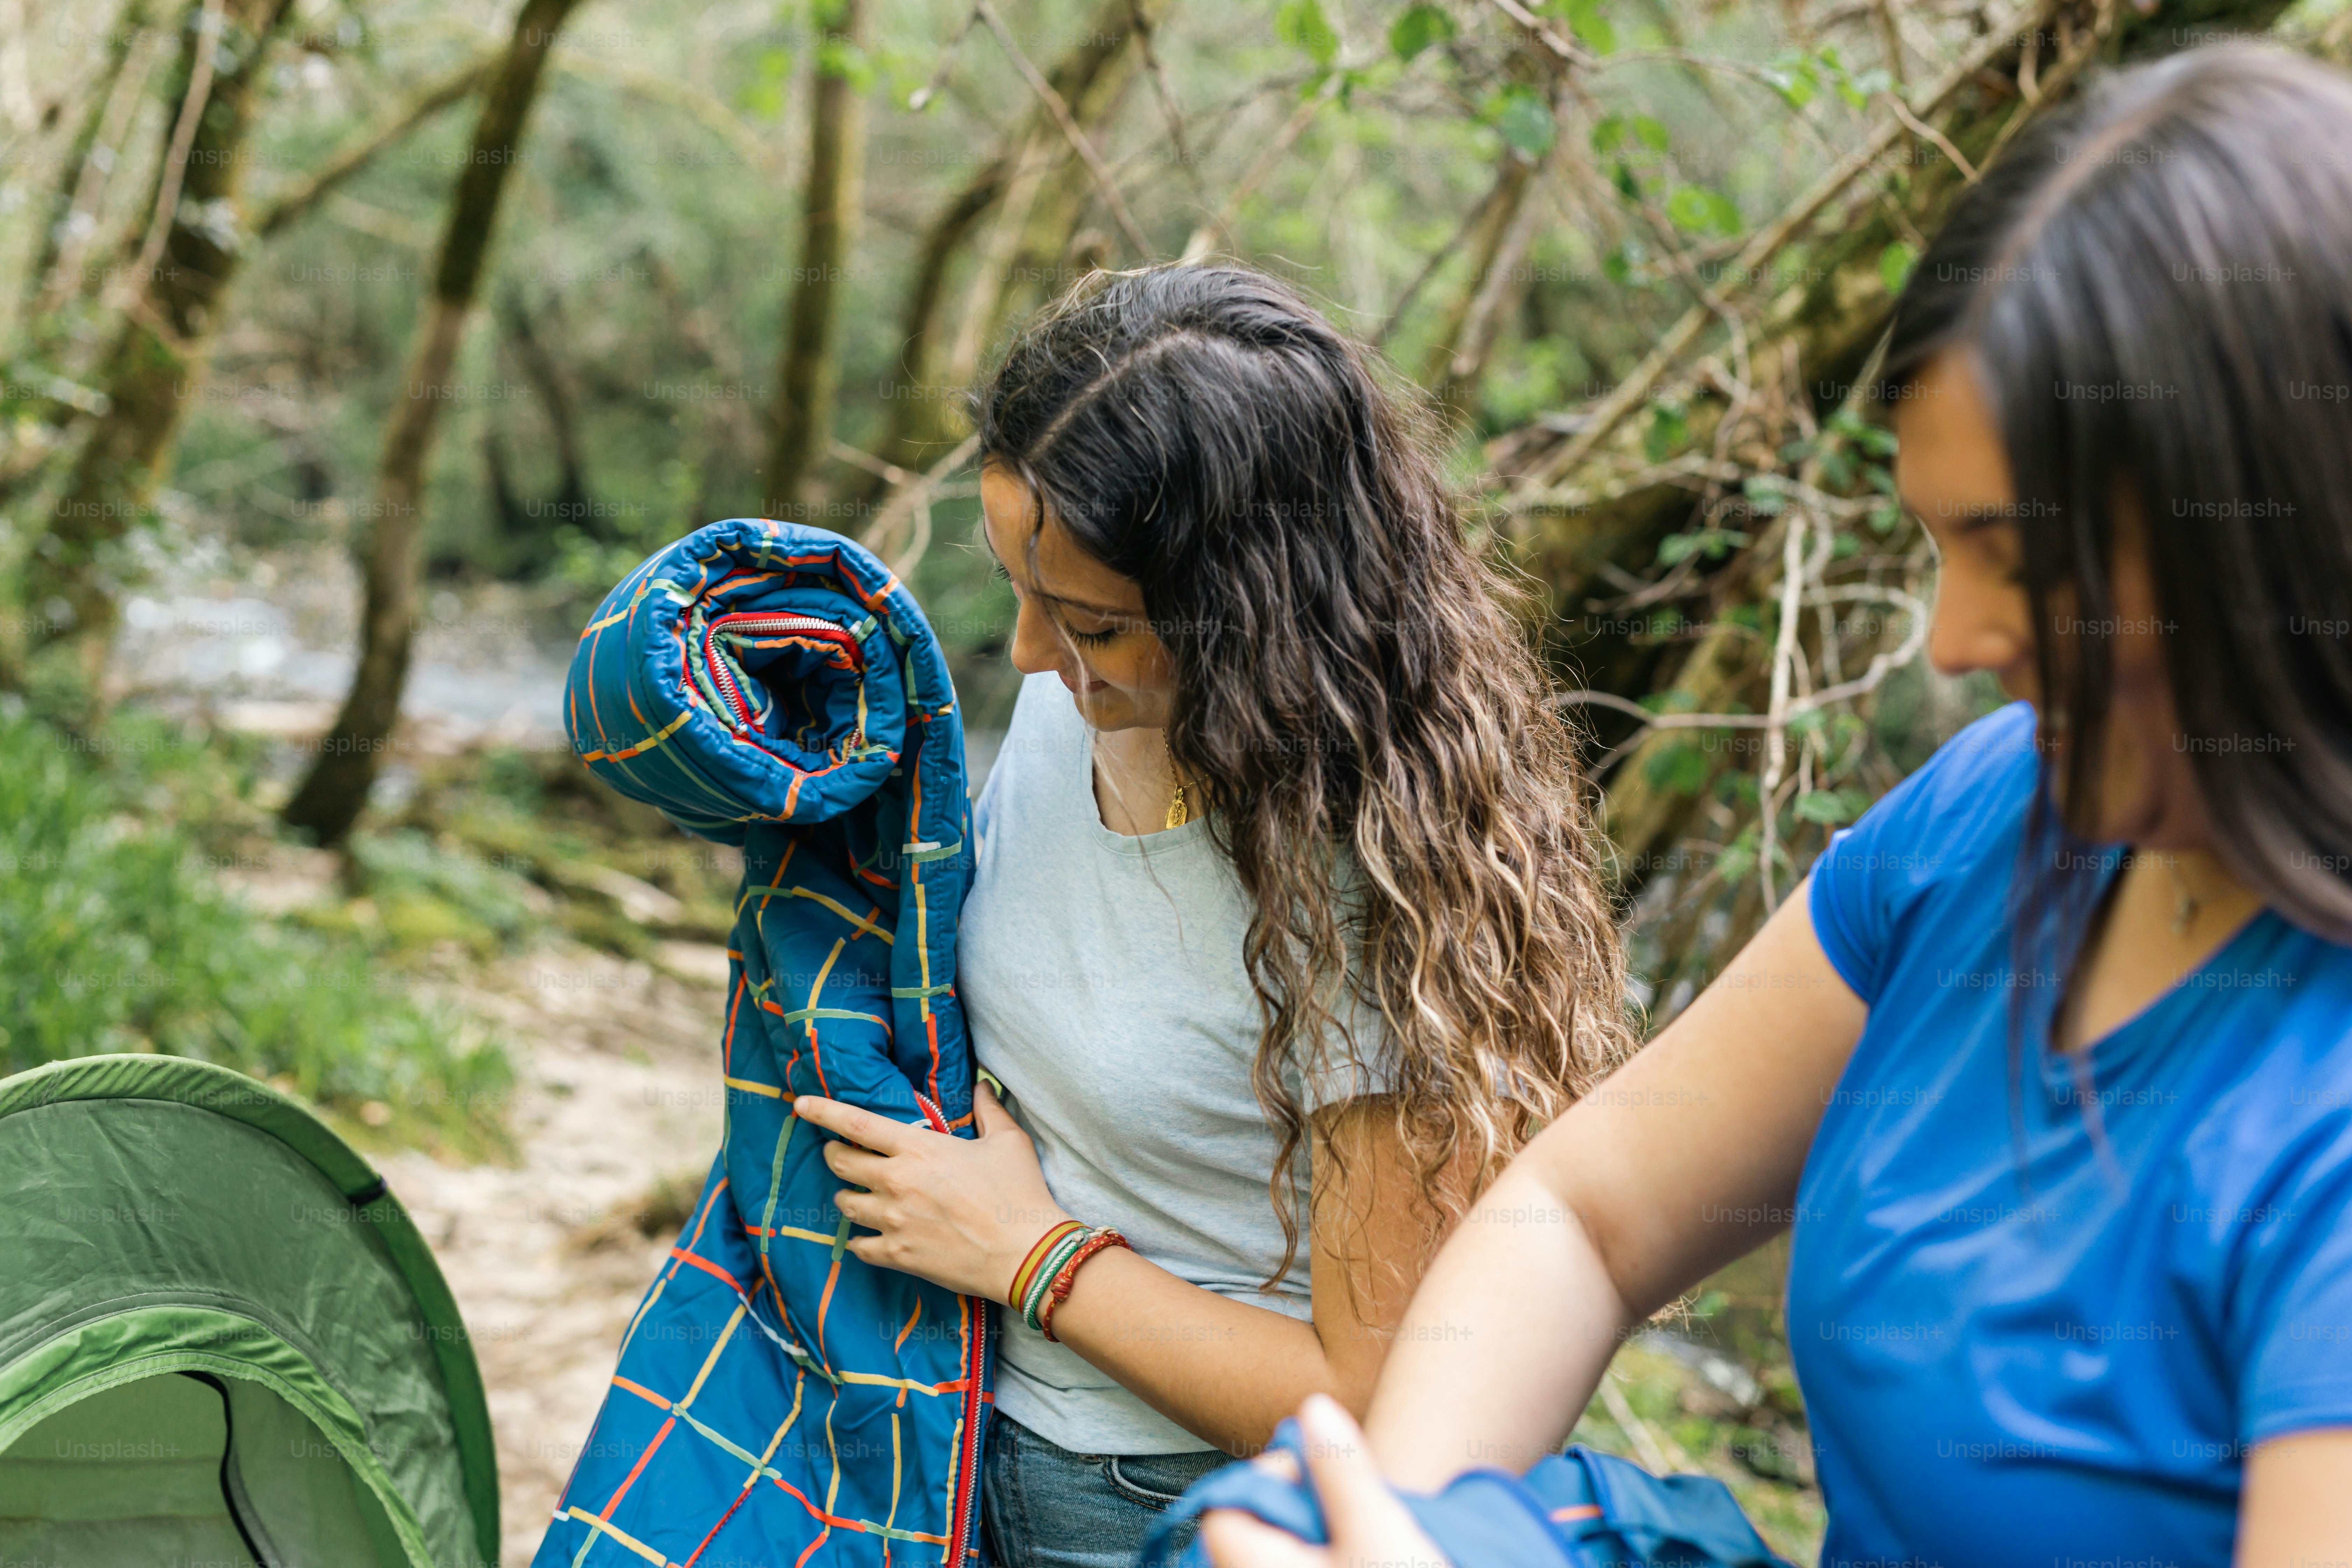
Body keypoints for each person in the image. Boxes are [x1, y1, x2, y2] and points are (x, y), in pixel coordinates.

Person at [1206, 43, 2352, 1568]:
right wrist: (1393, 1526)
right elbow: (1598, 1211)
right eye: (1940, 546)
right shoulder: (1997, 815)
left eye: (2017, 557)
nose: (1954, 641)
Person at [786, 262, 1633, 1567]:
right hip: (940, 1431)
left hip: (1157, 1503)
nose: (1024, 656)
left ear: (1246, 616)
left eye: (1086, 622)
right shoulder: (1081, 696)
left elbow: (1369, 1401)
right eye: (1017, 583)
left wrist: (1032, 1255)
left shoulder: (1363, 890)